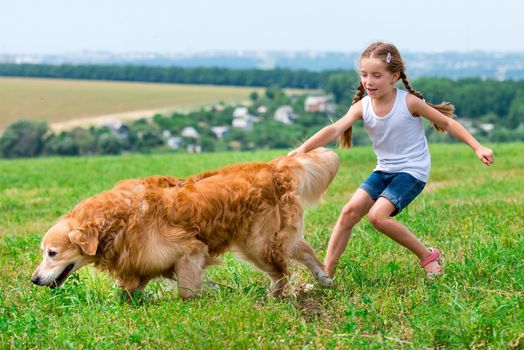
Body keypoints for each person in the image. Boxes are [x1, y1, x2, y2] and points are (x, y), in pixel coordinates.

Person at [288, 41, 494, 280]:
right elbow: (335, 129)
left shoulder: (409, 102)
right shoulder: (362, 106)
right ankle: (327, 276)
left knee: (378, 216)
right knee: (348, 213)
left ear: (394, 76)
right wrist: (303, 148)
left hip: (412, 171)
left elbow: (446, 122)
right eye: (364, 75)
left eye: (376, 75)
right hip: (385, 170)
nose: (368, 81)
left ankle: (428, 256)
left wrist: (477, 146)